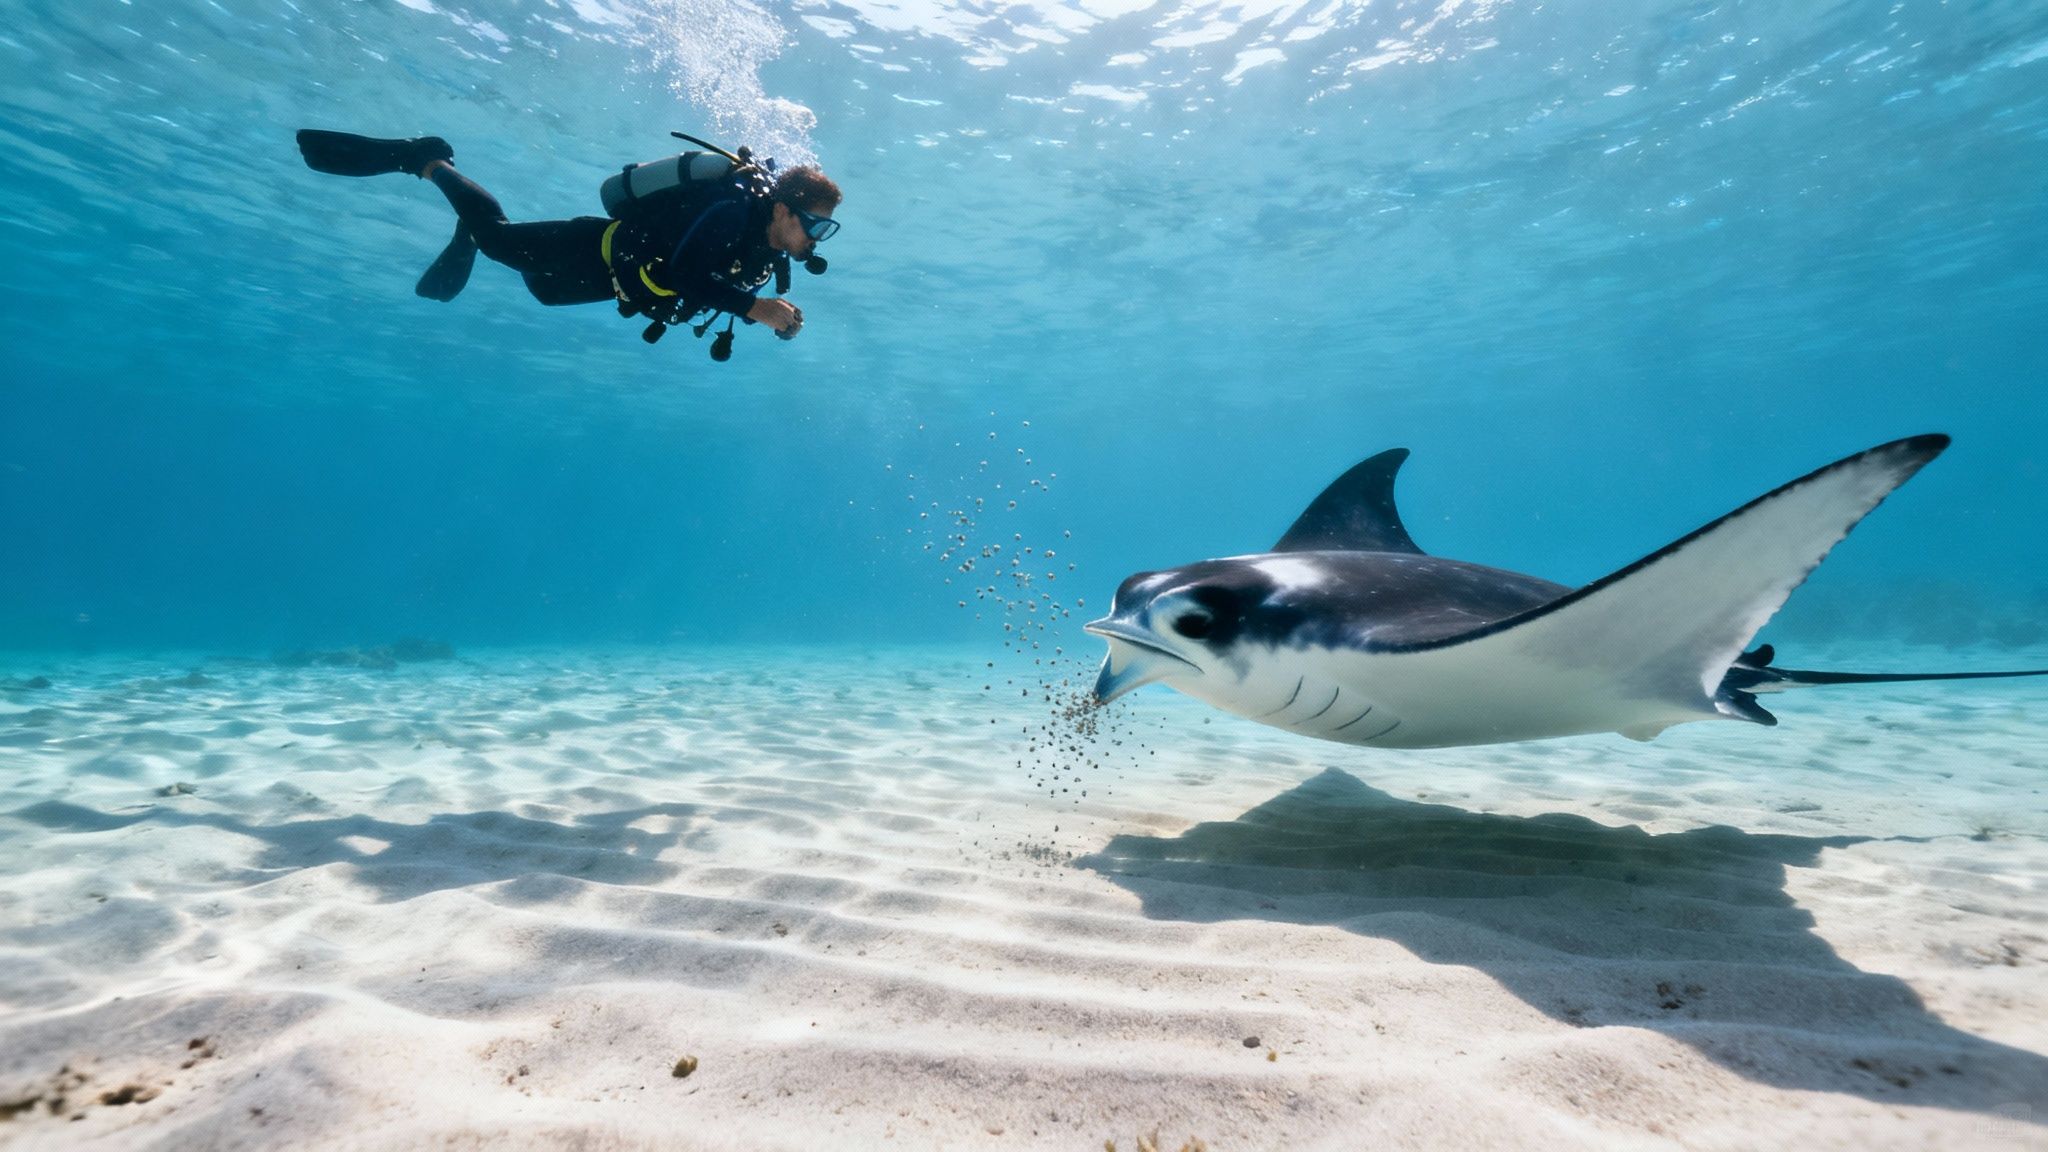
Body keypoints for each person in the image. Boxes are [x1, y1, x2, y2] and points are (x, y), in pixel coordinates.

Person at [295, 130, 842, 356]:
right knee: (496, 239)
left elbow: (715, 285)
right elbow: (687, 275)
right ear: (779, 209)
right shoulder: (727, 211)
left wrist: (763, 310)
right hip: (599, 248)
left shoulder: (768, 247)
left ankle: (472, 229)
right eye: (813, 225)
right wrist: (758, 308)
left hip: (618, 284)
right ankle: (426, 160)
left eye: (824, 230)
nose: (816, 240)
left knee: (541, 293)